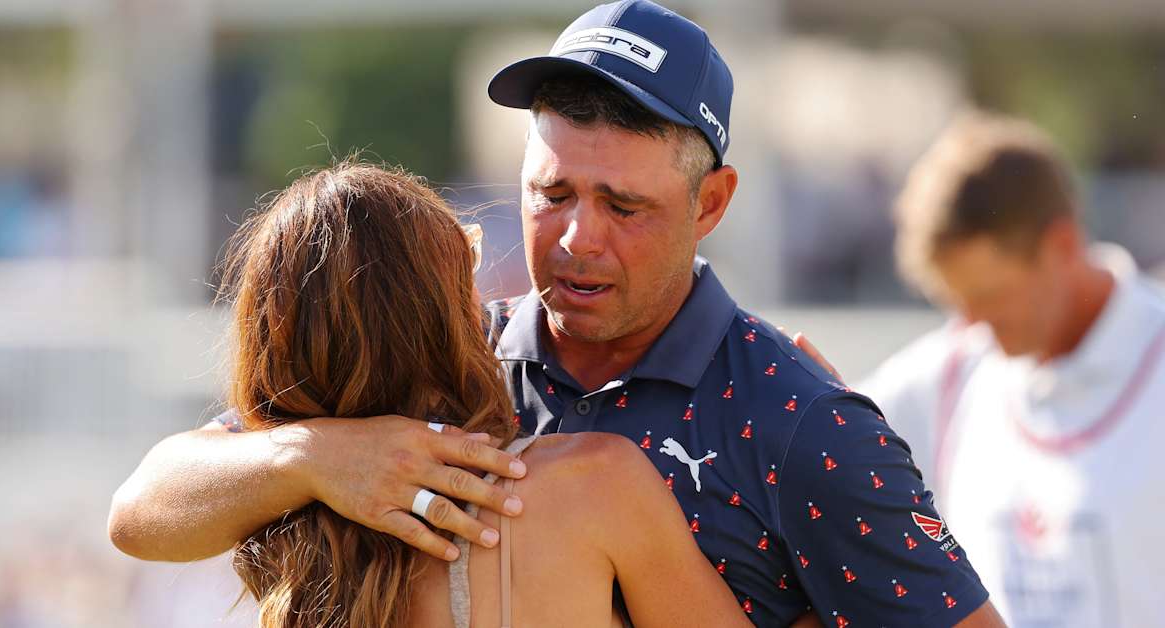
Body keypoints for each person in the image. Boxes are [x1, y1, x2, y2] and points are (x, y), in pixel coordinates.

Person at [110, 2, 1004, 625]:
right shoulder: (447, 354)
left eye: (624, 205)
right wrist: (318, 456)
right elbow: (144, 510)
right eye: (552, 192)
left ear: (713, 203)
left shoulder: (801, 422)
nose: (578, 239)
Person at [211, 160, 754, 627]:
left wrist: (308, 460)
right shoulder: (595, 484)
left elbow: (136, 515)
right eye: (464, 260)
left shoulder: (267, 514)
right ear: (443, 312)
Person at [858, 111, 1165, 627]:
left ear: (1062, 247)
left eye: (992, 295)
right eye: (957, 302)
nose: (974, 322)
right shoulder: (951, 371)